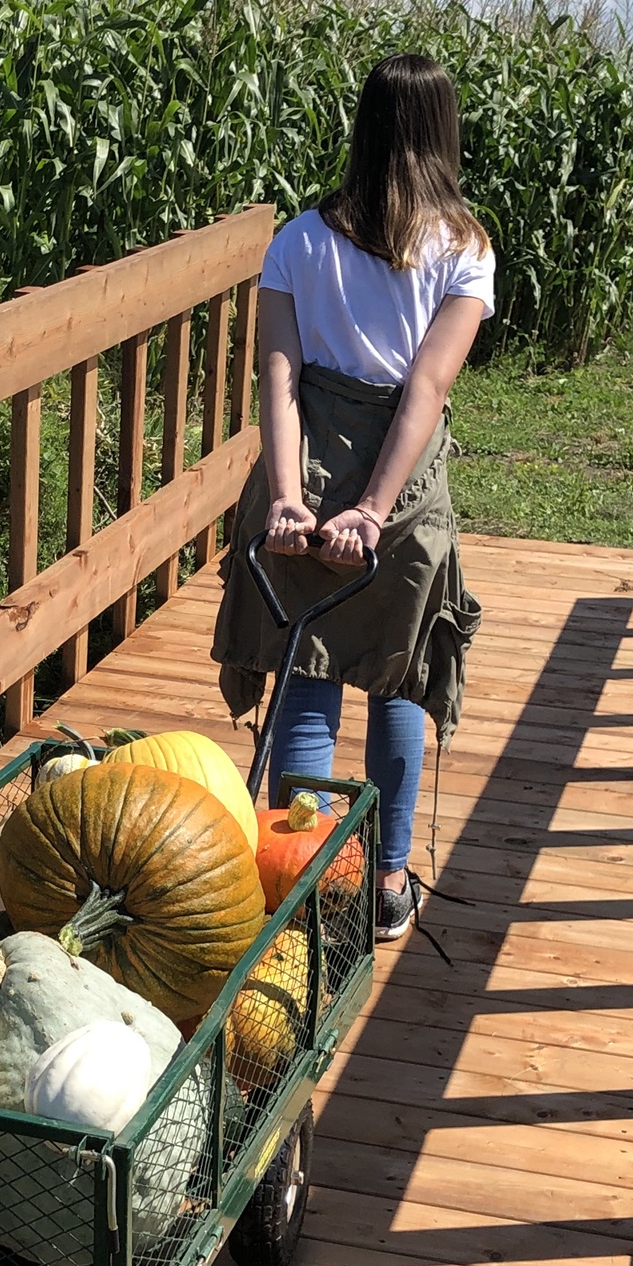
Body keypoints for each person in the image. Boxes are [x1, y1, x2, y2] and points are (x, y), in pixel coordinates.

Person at [212, 52, 491, 941]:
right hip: (398, 491)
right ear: (442, 134)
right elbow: (425, 391)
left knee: (307, 679)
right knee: (398, 679)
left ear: (363, 128)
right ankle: (386, 880)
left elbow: (280, 374)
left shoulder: (297, 239)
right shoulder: (465, 248)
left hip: (309, 466)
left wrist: (290, 497)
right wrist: (375, 510)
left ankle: (304, 888)